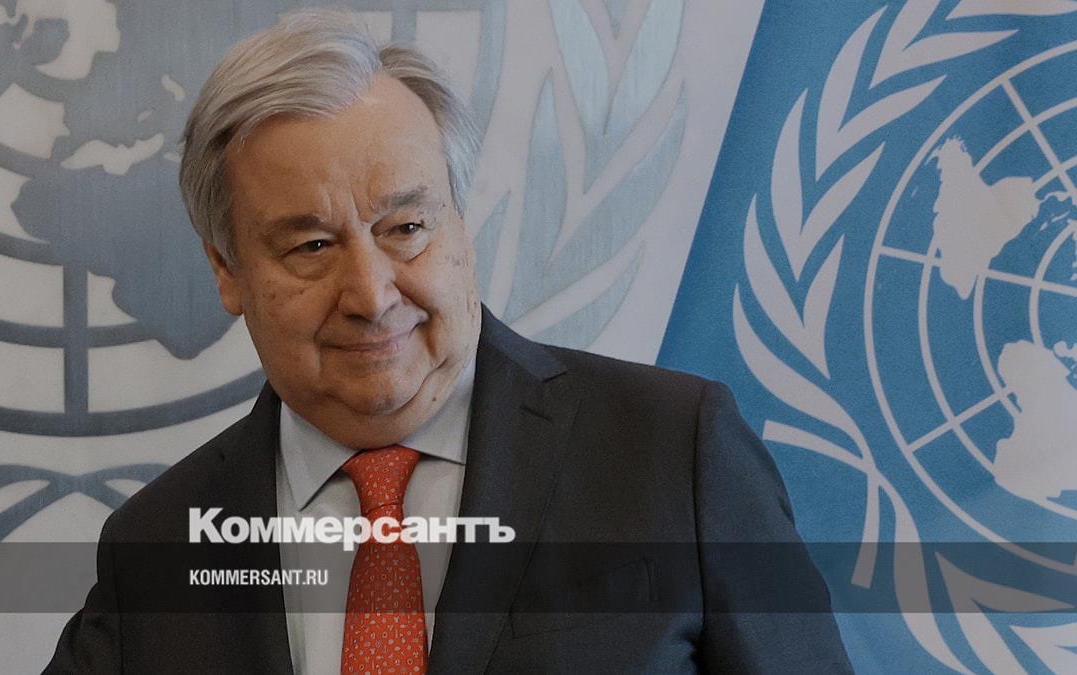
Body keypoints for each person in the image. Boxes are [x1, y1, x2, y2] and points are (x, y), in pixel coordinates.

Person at [47, 9, 853, 674]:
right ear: (227, 270)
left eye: (406, 227)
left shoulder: (675, 452)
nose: (371, 295)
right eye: (312, 246)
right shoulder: (156, 544)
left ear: (461, 226)